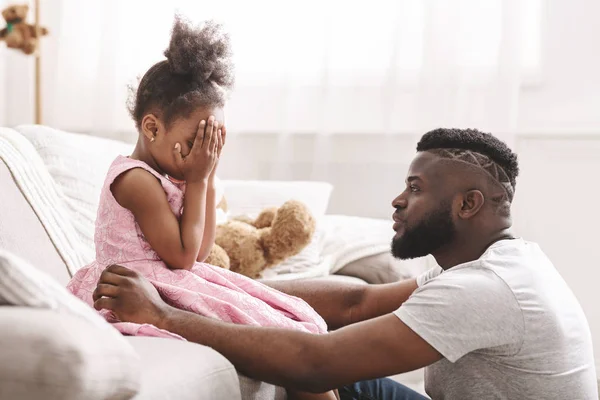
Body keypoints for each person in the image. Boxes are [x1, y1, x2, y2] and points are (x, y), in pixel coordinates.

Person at [92, 128, 598, 400]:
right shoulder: (491, 265)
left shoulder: (487, 290)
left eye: (416, 189)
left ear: (467, 205)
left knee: (301, 367)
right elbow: (358, 301)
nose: (397, 201)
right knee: (295, 349)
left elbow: (317, 362)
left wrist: (166, 317)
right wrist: (220, 288)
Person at [67, 16, 337, 400]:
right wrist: (197, 180)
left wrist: (207, 178)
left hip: (170, 277)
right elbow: (181, 257)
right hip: (142, 284)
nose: (203, 152)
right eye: (198, 140)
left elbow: (203, 248)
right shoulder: (136, 180)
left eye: (214, 142)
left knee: (288, 326)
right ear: (151, 128)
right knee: (273, 335)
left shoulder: (177, 176)